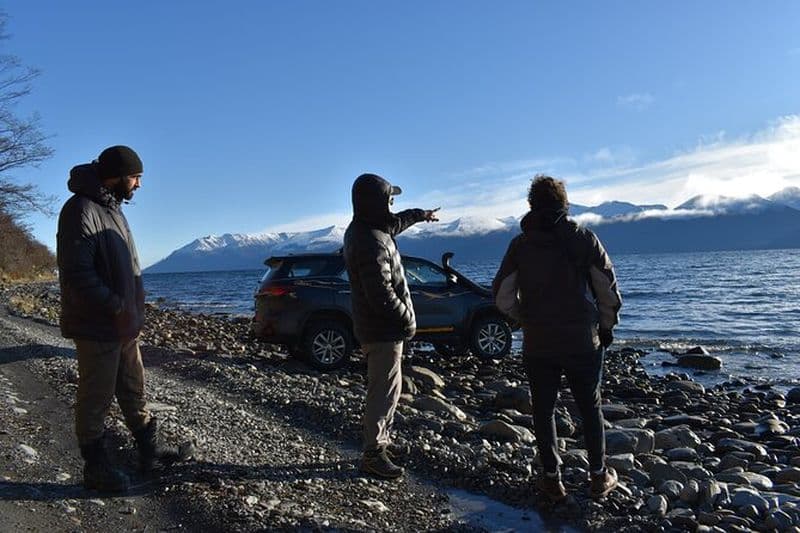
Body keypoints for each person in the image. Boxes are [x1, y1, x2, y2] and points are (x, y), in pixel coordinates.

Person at [57, 145, 190, 492]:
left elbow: (127, 267)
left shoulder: (112, 210)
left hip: (124, 326)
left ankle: (149, 450)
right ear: (116, 176)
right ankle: (95, 468)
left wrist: (133, 308)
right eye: (136, 177)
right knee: (95, 395)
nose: (139, 185)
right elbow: (77, 272)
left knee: (134, 390)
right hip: (97, 325)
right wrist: (116, 304)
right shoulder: (80, 210)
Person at [492, 175, 622, 502]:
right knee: (589, 407)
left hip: (538, 343)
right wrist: (606, 326)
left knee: (544, 410)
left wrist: (524, 317)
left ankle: (551, 479)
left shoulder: (520, 245)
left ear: (532, 205)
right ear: (565, 204)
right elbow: (606, 289)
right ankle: (597, 476)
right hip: (582, 340)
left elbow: (503, 296)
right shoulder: (584, 239)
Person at [343, 173, 439, 479]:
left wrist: (420, 215)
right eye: (389, 200)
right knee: (383, 390)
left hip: (378, 328)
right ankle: (373, 453)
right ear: (377, 203)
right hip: (381, 330)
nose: (392, 205)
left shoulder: (369, 229)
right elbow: (380, 292)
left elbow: (395, 224)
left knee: (390, 387)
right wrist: (406, 320)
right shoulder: (369, 241)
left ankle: (381, 441)